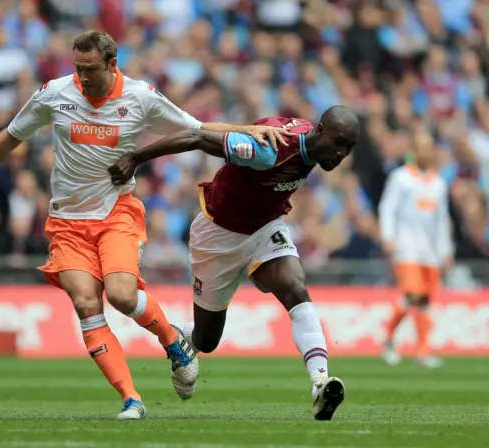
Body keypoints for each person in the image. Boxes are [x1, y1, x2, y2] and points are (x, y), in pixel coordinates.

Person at [0, 30, 290, 420]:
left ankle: (174, 340)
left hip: (116, 213)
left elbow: (195, 128)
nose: (82, 77)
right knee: (86, 304)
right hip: (67, 222)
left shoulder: (140, 97)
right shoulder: (56, 94)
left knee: (122, 295)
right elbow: (10, 137)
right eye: (77, 68)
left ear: (112, 64)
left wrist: (246, 130)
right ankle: (131, 399)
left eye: (90, 69)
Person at [109, 106, 361, 421]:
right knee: (207, 340)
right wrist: (134, 159)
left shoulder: (307, 143)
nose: (341, 153)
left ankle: (320, 384)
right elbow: (197, 137)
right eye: (339, 142)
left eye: (348, 148)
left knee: (296, 288)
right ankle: (182, 339)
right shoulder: (268, 151)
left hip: (265, 229)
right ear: (321, 130)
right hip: (217, 238)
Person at [378, 131, 452, 369]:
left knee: (424, 301)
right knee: (412, 293)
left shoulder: (438, 183)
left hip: (429, 251)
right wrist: (388, 237)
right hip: (406, 246)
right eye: (421, 147)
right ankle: (389, 338)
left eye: (429, 147)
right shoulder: (400, 178)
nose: (425, 152)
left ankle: (421, 350)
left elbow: (441, 220)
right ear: (413, 151)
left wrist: (445, 249)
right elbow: (388, 208)